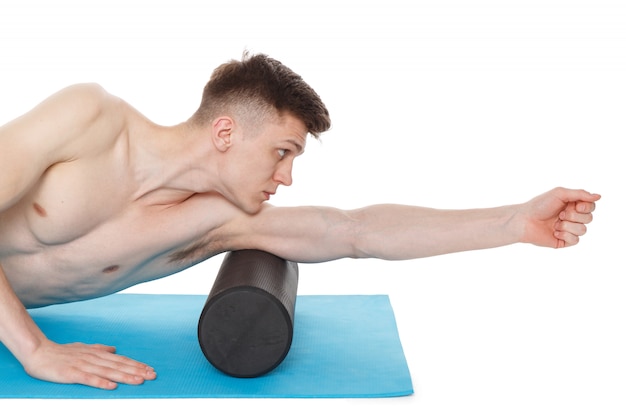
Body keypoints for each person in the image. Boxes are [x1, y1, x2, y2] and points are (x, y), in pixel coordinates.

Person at [0, 52, 600, 390]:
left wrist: (512, 222)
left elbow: (353, 231)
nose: (286, 177)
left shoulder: (220, 221)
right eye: (282, 152)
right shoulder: (90, 119)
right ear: (226, 132)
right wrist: (34, 351)